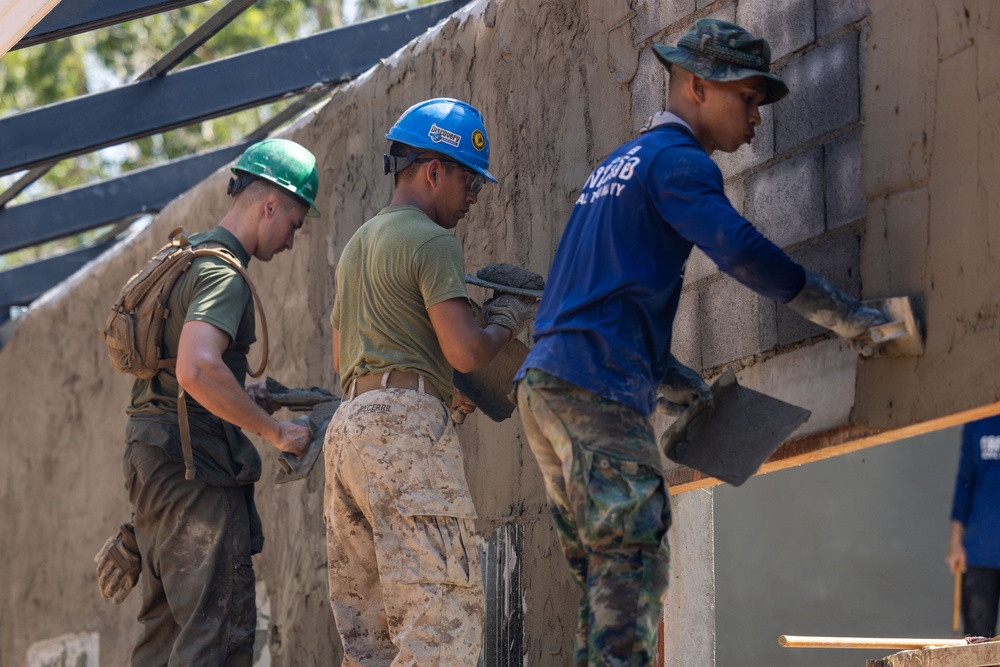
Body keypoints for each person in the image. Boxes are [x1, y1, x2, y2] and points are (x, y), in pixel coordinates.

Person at [514, 19, 892, 666]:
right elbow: (740, 251)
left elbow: (600, 302)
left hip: (549, 385)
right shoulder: (679, 163)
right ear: (695, 85)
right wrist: (847, 315)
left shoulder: (619, 163)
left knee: (605, 587)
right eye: (746, 98)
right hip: (595, 391)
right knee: (631, 566)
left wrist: (679, 382)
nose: (756, 118)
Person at [323, 98, 535, 666]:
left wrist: (439, 388)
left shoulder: (356, 247)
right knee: (440, 623)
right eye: (469, 180)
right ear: (432, 169)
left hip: (348, 429)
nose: (473, 197)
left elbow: (347, 356)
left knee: (371, 638)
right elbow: (465, 347)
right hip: (404, 427)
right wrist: (506, 316)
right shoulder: (432, 241)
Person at [109, 138, 320, 665]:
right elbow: (196, 367)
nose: (292, 241)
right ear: (269, 205)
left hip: (153, 466)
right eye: (294, 223)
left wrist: (240, 394)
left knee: (163, 641)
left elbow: (183, 374)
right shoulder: (224, 273)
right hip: (195, 471)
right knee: (215, 639)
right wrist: (277, 434)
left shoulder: (186, 257)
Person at [947, 414, 1000, 638]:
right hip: (980, 551)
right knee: (978, 643)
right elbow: (964, 482)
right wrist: (955, 542)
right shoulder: (977, 418)